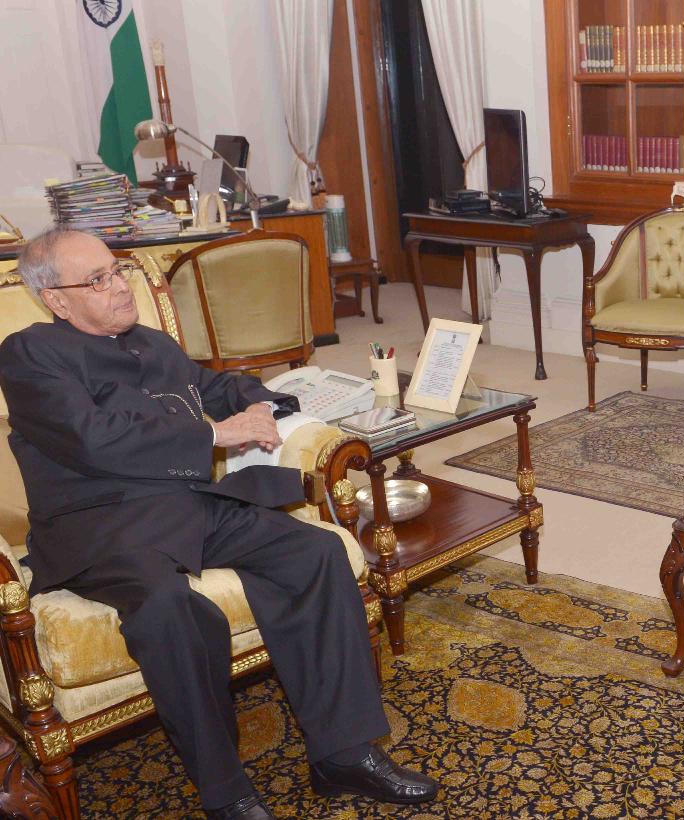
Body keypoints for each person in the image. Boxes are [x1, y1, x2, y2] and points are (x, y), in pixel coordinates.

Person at [0, 230, 440, 819]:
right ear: (56, 299)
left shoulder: (151, 342)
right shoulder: (30, 354)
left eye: (117, 271)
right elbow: (91, 439)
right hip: (102, 525)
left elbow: (213, 386)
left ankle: (343, 754)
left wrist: (270, 399)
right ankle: (227, 793)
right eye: (98, 280)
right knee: (169, 611)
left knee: (314, 553)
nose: (120, 287)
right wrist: (214, 432)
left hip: (189, 504)